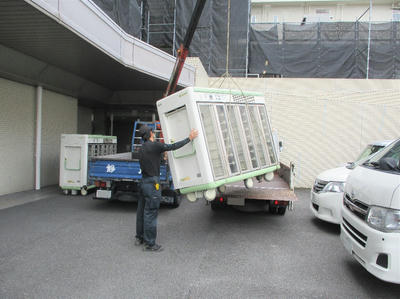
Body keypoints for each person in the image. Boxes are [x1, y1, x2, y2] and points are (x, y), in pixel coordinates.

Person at [135, 124, 198, 252]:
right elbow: (173, 147)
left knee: (141, 211)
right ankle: (150, 244)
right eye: (153, 132)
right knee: (150, 213)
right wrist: (189, 138)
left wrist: (161, 156)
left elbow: (152, 159)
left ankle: (139, 237)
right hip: (153, 184)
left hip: (143, 182)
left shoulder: (141, 149)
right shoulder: (156, 146)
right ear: (151, 133)